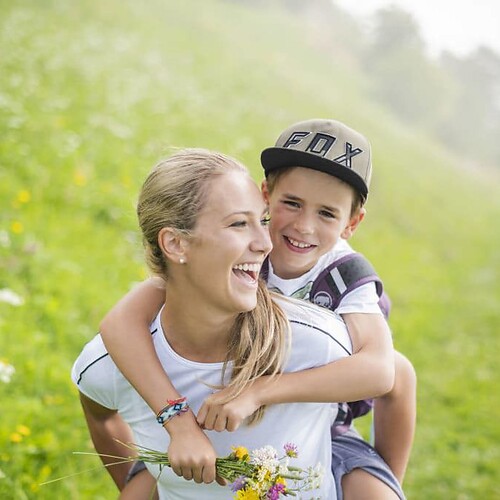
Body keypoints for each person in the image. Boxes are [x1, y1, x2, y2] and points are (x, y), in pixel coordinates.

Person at [100, 120, 416, 499]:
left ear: (352, 223)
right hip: (210, 414)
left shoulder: (346, 275)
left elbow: (384, 371)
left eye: (327, 214)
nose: (304, 226)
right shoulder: (238, 249)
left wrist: (259, 391)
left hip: (320, 428)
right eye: (291, 203)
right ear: (266, 194)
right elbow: (120, 323)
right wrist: (178, 422)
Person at [72, 148, 355, 499]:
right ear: (176, 243)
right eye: (239, 224)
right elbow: (99, 413)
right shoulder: (114, 361)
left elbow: (394, 375)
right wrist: (141, 485)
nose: (265, 243)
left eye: (263, 220)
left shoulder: (315, 341)